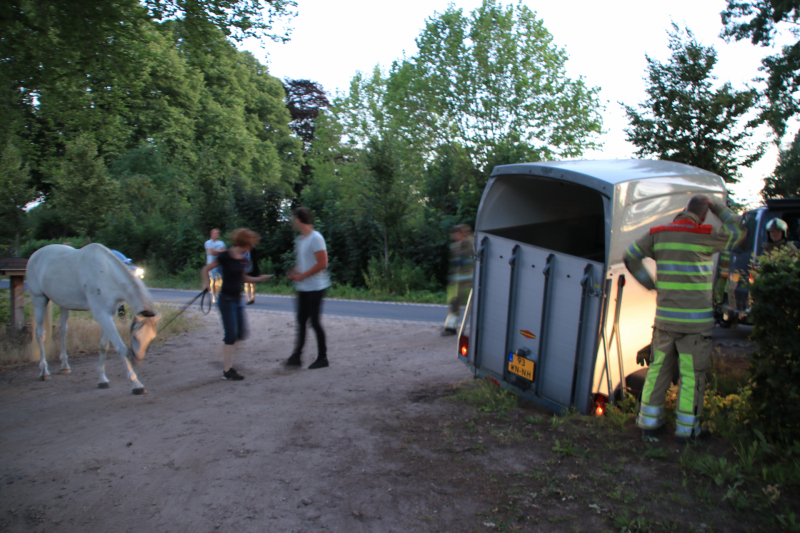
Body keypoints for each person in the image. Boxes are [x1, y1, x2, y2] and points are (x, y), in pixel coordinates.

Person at [623, 195, 743, 444]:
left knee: (657, 370)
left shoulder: (658, 233)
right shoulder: (705, 234)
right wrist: (717, 206)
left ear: (682, 212)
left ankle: (649, 423)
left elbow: (630, 256)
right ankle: (687, 430)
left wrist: (649, 283)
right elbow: (738, 229)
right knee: (691, 375)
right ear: (702, 215)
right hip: (695, 327)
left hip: (665, 321)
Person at [202, 228, 272, 381]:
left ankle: (226, 359)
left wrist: (260, 279)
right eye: (251, 242)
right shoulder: (225, 255)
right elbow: (206, 269)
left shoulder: (244, 258)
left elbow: (243, 278)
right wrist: (206, 285)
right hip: (226, 300)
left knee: (241, 333)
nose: (252, 246)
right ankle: (227, 370)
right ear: (244, 242)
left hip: (238, 299)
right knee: (231, 335)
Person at [286, 207, 331, 369]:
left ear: (299, 220)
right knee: (301, 321)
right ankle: (296, 356)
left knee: (314, 322)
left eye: (293, 219)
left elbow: (322, 263)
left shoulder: (316, 238)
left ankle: (323, 357)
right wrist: (295, 271)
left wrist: (303, 276)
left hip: (316, 287)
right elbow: (304, 261)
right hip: (303, 287)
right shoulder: (301, 239)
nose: (293, 223)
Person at [443, 224, 474, 335]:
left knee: (474, 305)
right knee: (454, 304)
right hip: (457, 282)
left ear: (461, 234)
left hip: (470, 281)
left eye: (455, 233)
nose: (453, 235)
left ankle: (476, 329)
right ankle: (451, 328)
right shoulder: (455, 246)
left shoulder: (471, 244)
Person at [204, 229, 226, 303]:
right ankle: (214, 296)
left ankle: (221, 294)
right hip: (211, 263)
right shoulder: (208, 243)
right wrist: (220, 251)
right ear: (211, 234)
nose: (216, 234)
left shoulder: (221, 243)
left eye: (217, 233)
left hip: (220, 263)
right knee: (213, 279)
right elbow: (212, 252)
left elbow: (225, 252)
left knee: (222, 279)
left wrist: (218, 251)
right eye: (215, 233)